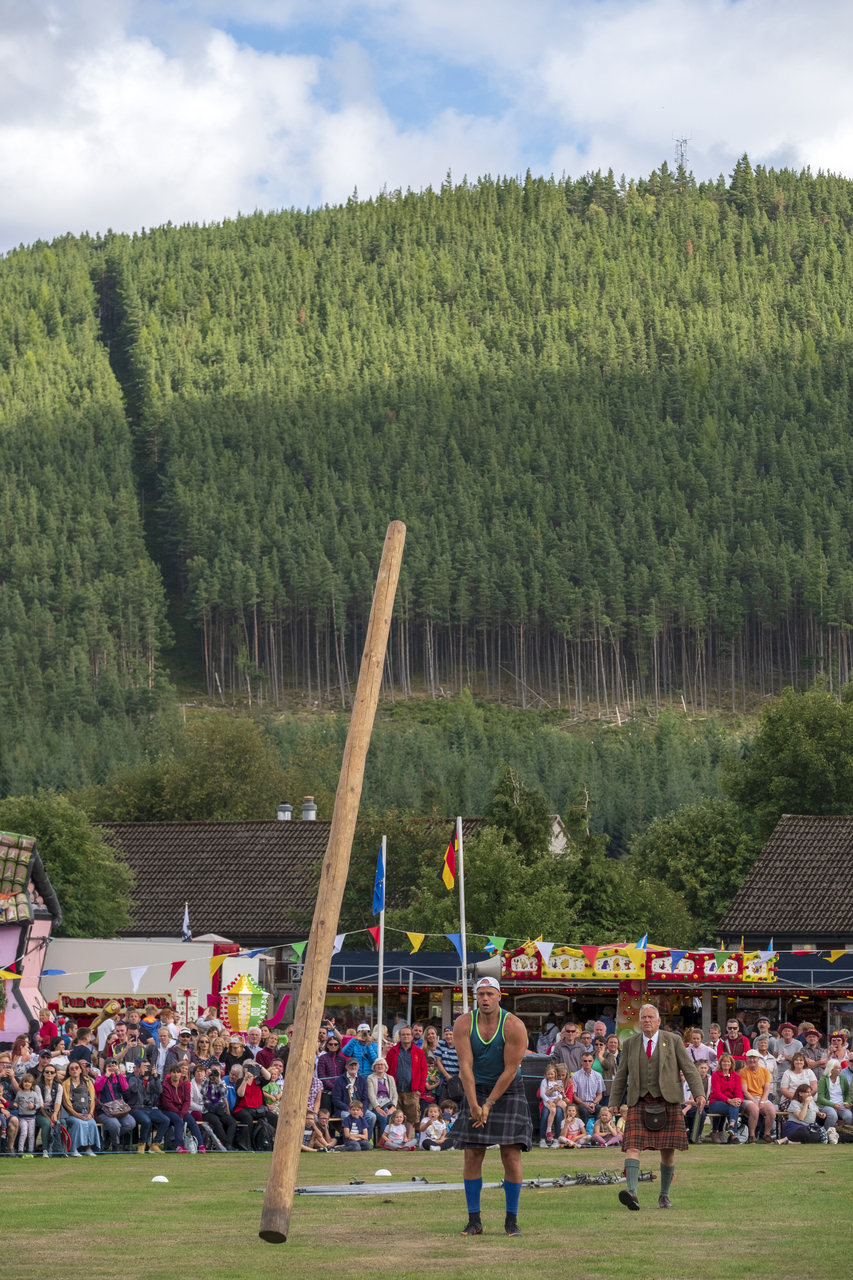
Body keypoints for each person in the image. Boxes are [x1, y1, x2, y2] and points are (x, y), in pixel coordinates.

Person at [454, 976, 532, 1239]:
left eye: (490, 993)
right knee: (472, 1155)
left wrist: (488, 1104)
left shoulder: (513, 1025)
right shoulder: (464, 1023)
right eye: (481, 994)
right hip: (475, 1088)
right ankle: (473, 1221)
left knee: (511, 1155)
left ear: (500, 996)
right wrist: (474, 1103)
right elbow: (465, 1067)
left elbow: (511, 1070)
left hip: (508, 1089)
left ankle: (512, 1222)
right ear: (476, 997)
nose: (485, 998)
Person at [609, 1003, 705, 1211]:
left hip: (668, 1100)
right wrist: (614, 1102)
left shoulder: (673, 1040)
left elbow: (689, 1069)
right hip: (638, 1101)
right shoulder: (631, 1043)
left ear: (659, 1021)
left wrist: (698, 1093)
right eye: (643, 1017)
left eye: (651, 1017)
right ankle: (632, 1193)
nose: (647, 1021)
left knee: (667, 1152)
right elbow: (621, 1075)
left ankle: (664, 1196)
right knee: (632, 1146)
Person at [385, 1026, 427, 1140]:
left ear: (412, 1036)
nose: (406, 1037)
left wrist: (420, 1089)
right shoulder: (393, 1051)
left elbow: (424, 1070)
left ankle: (407, 1139)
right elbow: (387, 1070)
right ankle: (397, 1139)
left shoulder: (419, 1052)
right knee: (397, 1115)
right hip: (396, 1089)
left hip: (412, 1090)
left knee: (410, 1117)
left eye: (408, 1034)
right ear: (400, 1036)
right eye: (403, 1035)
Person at [125, 1060, 170, 1154]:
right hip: (136, 1108)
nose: (146, 1069)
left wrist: (156, 1077)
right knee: (146, 1121)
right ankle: (142, 1144)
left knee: (166, 1120)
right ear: (140, 1068)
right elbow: (133, 1089)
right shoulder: (133, 1079)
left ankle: (155, 1144)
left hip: (150, 1108)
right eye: (144, 1067)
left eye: (148, 1067)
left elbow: (159, 1091)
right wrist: (141, 1076)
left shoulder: (152, 1081)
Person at [160, 1064, 206, 1153]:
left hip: (182, 1110)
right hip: (168, 1110)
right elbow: (167, 1103)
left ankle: (201, 1145)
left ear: (181, 1074)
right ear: (170, 1073)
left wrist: (182, 1112)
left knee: (192, 1122)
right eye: (174, 1072)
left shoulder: (184, 1085)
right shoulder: (165, 1085)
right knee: (178, 1121)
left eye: (178, 1072)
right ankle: (179, 1146)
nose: (176, 1074)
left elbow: (187, 1102)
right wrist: (179, 1113)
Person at [60, 1059, 100, 1156]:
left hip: (86, 1112)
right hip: (71, 1114)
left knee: (91, 1123)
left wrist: (91, 1113)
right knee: (78, 1123)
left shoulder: (88, 1082)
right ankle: (73, 1149)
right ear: (69, 1071)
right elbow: (66, 1102)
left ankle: (89, 1148)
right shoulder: (65, 1083)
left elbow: (92, 1099)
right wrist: (75, 1114)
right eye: (72, 1068)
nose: (74, 1070)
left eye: (76, 1068)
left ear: (80, 1070)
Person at [95, 1061, 136, 1152]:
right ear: (104, 1067)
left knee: (131, 1123)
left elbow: (125, 1088)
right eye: (109, 1066)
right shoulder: (100, 1078)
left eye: (114, 1066)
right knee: (115, 1124)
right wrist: (106, 1075)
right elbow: (97, 1088)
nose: (111, 1068)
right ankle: (115, 1145)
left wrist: (118, 1073)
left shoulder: (118, 1077)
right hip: (103, 1111)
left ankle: (109, 1135)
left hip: (118, 1110)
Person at [738, 1049, 776, 1143]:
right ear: (746, 1059)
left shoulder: (765, 1071)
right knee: (755, 1109)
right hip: (748, 1098)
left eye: (754, 1058)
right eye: (749, 1058)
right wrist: (756, 1102)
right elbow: (745, 1091)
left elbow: (767, 1089)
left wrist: (762, 1101)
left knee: (771, 1110)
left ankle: (766, 1134)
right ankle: (752, 1135)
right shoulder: (743, 1072)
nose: (752, 1060)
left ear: (758, 1059)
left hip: (762, 1097)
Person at [332, 1058, 376, 1137]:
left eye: (355, 1065)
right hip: (344, 1109)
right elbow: (336, 1099)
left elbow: (365, 1099)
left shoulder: (362, 1081)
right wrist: (347, 1109)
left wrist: (362, 1110)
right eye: (351, 1065)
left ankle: (366, 1140)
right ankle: (350, 1140)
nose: (353, 1067)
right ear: (346, 1067)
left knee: (371, 1116)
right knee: (346, 1116)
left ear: (358, 1066)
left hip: (359, 1109)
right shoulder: (339, 1080)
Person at [708, 1053, 743, 1143]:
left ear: (731, 1063)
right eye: (724, 1061)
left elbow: (739, 1092)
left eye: (728, 1062)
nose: (726, 1063)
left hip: (731, 1103)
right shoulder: (715, 1075)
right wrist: (729, 1100)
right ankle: (734, 1135)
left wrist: (739, 1100)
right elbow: (717, 1093)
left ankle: (732, 1128)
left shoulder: (736, 1076)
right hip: (716, 1102)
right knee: (733, 1106)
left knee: (735, 1105)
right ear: (721, 1063)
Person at [34, 1064, 63, 1157]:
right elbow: (41, 1105)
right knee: (46, 1123)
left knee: (62, 1122)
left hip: (54, 1111)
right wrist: (49, 1119)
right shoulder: (38, 1086)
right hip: (41, 1112)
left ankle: (61, 1149)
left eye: (52, 1072)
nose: (49, 1073)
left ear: (55, 1074)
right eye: (47, 1072)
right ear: (43, 1073)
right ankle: (45, 1150)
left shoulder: (59, 1086)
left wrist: (55, 1114)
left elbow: (58, 1102)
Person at [366, 1059, 398, 1138]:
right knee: (384, 1118)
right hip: (376, 1106)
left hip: (388, 1105)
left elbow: (395, 1095)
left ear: (385, 1067)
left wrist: (393, 1108)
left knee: (395, 1117)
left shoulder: (390, 1078)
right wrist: (378, 1108)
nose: (380, 1066)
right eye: (378, 1064)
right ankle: (384, 1141)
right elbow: (371, 1095)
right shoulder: (370, 1078)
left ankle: (395, 1140)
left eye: (382, 1064)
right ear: (374, 1066)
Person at [817, 1059, 853, 1129]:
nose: (841, 1069)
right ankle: (826, 1133)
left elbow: (847, 1094)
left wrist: (847, 1102)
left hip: (841, 1103)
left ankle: (846, 1134)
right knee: (833, 1115)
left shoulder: (843, 1078)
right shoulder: (823, 1079)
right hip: (827, 1104)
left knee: (849, 1116)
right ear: (832, 1070)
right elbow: (820, 1098)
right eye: (838, 1068)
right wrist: (833, 1105)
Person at [572, 1052, 605, 1124]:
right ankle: (583, 1132)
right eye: (585, 1061)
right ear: (581, 1062)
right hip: (580, 1104)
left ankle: (597, 1131)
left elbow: (600, 1094)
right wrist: (585, 1105)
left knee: (600, 1109)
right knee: (584, 1110)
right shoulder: (575, 1076)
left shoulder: (598, 1076)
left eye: (589, 1061)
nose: (587, 1063)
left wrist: (593, 1103)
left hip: (593, 1103)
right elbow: (574, 1096)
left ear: (592, 1061)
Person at [682, 1061, 711, 1141]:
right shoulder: (689, 1080)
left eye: (705, 1068)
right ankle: (684, 1134)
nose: (703, 1070)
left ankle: (696, 1136)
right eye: (701, 1068)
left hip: (696, 1104)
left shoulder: (708, 1080)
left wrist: (687, 1106)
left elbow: (693, 1100)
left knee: (701, 1113)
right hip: (684, 1104)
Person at [538, 1064, 565, 1147]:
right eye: (548, 1074)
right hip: (548, 1101)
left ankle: (559, 1137)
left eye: (551, 1074)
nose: (550, 1076)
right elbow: (542, 1094)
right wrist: (549, 1101)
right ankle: (543, 1138)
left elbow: (561, 1092)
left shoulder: (558, 1081)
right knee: (547, 1113)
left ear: (555, 1074)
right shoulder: (544, 1081)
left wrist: (558, 1098)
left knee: (562, 1110)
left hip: (556, 1100)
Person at [15, 1075, 41, 1155]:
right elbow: (16, 1101)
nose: (27, 1084)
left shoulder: (34, 1094)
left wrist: (33, 1106)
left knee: (31, 1134)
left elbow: (38, 1104)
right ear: (22, 1083)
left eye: (29, 1082)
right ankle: (20, 1150)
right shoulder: (19, 1093)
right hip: (22, 1117)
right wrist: (15, 1104)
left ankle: (31, 1151)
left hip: (32, 1118)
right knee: (24, 1133)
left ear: (32, 1084)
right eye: (25, 1082)